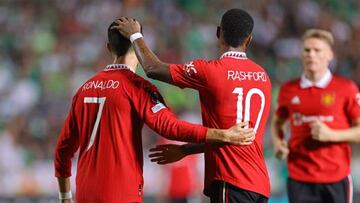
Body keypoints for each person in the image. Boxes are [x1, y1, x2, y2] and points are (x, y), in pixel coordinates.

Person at [53, 20, 257, 203]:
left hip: (85, 193)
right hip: (121, 192)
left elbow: (62, 151)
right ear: (139, 46)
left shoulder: (84, 89)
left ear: (109, 48)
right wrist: (222, 134)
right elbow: (169, 127)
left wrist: (65, 197)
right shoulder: (137, 87)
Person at [113, 8, 272, 203]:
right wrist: (185, 151)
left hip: (231, 180)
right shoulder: (263, 76)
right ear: (249, 40)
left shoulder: (210, 71)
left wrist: (135, 35)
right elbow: (232, 139)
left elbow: (153, 69)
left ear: (218, 33)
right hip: (260, 184)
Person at [270, 29, 360, 203]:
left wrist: (332, 135)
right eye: (306, 50)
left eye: (317, 50)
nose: (311, 54)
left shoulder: (346, 88)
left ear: (329, 55)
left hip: (336, 176)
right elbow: (278, 122)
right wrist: (278, 143)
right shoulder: (289, 89)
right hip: (299, 177)